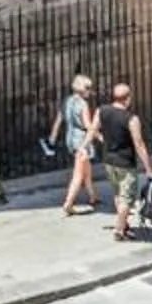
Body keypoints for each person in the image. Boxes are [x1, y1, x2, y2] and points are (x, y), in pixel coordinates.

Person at [94, 81, 152, 242]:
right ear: (127, 99)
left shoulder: (102, 111)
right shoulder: (131, 119)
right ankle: (119, 229)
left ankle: (124, 224)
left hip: (109, 160)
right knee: (127, 198)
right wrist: (149, 168)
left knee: (118, 193)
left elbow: (93, 129)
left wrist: (103, 140)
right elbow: (139, 144)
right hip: (125, 162)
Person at [55, 73, 101, 215]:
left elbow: (60, 118)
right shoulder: (82, 104)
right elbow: (88, 125)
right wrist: (99, 135)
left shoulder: (68, 101)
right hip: (82, 140)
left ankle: (93, 196)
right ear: (82, 89)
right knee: (79, 174)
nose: (90, 91)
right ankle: (68, 203)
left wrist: (53, 136)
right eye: (88, 88)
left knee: (86, 171)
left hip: (71, 137)